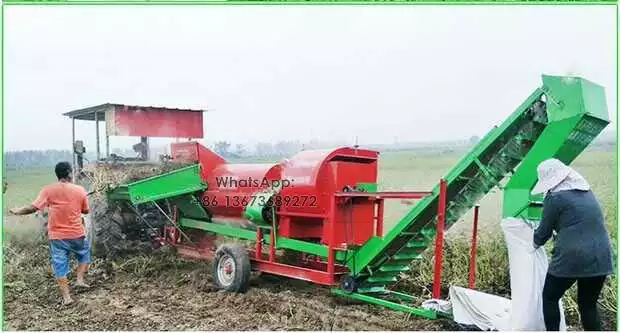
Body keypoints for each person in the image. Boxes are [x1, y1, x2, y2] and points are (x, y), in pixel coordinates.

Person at [531, 158, 613, 331]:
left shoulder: (555, 198)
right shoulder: (586, 191)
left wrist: (532, 241)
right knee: (588, 305)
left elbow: (542, 234)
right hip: (601, 255)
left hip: (572, 257)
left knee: (550, 297)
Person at [9, 161, 91, 306]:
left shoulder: (48, 190)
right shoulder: (80, 190)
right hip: (77, 234)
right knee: (84, 254)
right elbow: (86, 211)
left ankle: (67, 298)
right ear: (69, 173)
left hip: (58, 237)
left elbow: (33, 208)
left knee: (60, 265)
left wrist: (17, 211)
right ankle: (80, 280)